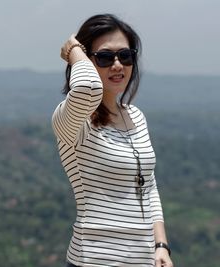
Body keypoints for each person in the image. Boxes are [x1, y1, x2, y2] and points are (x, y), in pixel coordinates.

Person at [52, 14, 174, 267]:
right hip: (94, 260)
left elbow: (148, 186)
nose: (117, 65)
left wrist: (161, 245)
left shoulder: (136, 116)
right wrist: (74, 50)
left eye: (125, 56)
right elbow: (87, 89)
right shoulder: (73, 122)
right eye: (105, 57)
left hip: (143, 260)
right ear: (87, 61)